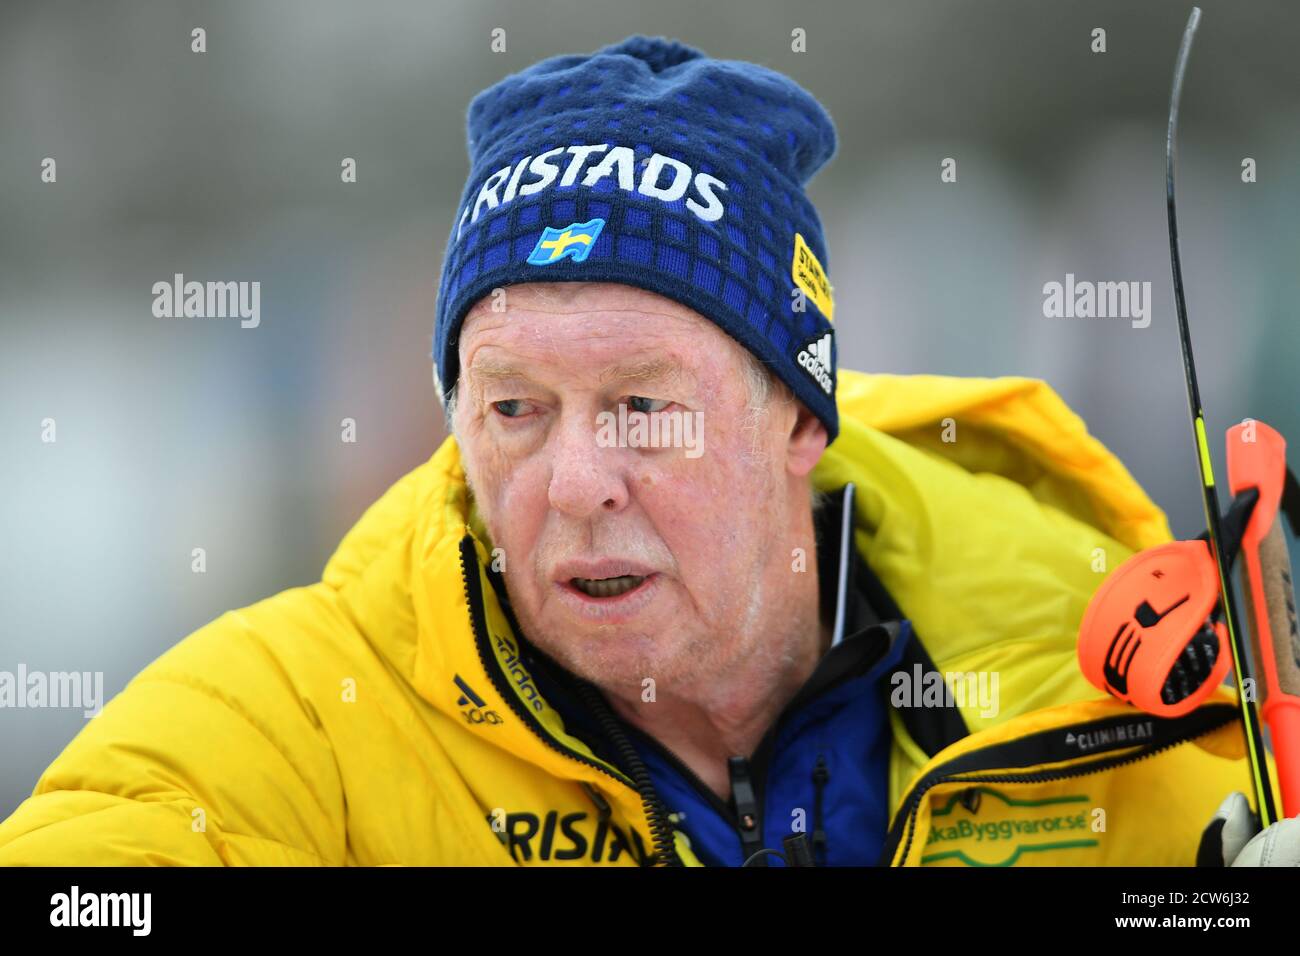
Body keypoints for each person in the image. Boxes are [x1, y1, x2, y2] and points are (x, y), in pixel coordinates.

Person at [0, 34, 1289, 867]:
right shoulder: (314, 710)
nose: (573, 482)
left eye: (641, 408)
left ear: (798, 419)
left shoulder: (1110, 679)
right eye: (514, 409)